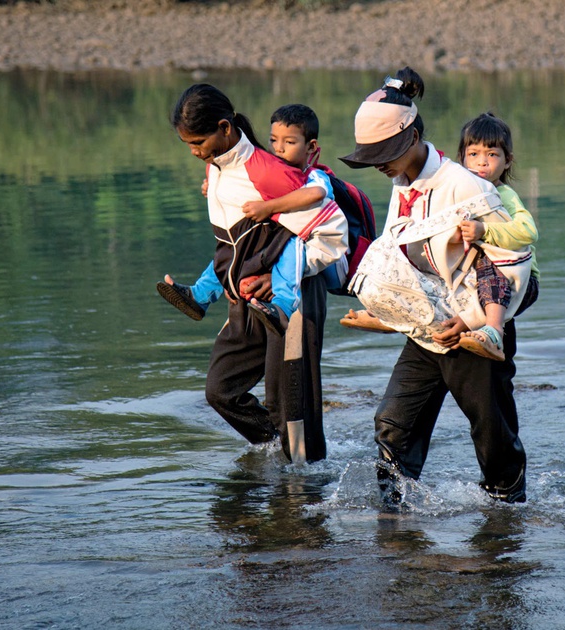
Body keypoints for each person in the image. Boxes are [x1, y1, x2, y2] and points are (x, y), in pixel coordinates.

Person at [338, 67, 530, 504]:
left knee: (492, 433)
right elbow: (399, 258)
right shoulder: (402, 183)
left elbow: (516, 268)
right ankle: (395, 517)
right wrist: (387, 315)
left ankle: (505, 524)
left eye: (383, 152)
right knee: (393, 423)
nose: (378, 163)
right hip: (427, 330)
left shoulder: (465, 185)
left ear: (411, 137)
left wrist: (472, 321)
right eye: (372, 155)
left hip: (473, 332)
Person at [170, 84, 348, 463]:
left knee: (291, 410)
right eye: (189, 144)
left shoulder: (266, 172)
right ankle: (275, 455)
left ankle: (304, 491)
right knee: (222, 391)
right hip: (246, 302)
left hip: (290, 302)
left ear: (224, 128)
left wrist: (280, 279)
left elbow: (333, 233)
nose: (194, 150)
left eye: (198, 141)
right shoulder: (216, 165)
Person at [158, 104, 344, 327]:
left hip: (314, 259)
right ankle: (200, 295)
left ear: (311, 147)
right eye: (274, 140)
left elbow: (316, 194)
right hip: (280, 256)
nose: (279, 148)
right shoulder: (269, 169)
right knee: (234, 248)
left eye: (290, 142)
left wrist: (269, 207)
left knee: (291, 245)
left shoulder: (315, 176)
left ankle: (283, 306)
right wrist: (214, 186)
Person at [455, 112, 541, 361]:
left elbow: (528, 231)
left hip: (520, 282)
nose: (482, 162)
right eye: (474, 154)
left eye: (491, 155)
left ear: (507, 161)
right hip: (483, 282)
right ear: (462, 159)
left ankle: (494, 331)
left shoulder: (504, 194)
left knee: (488, 263)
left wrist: (485, 231)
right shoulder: (462, 195)